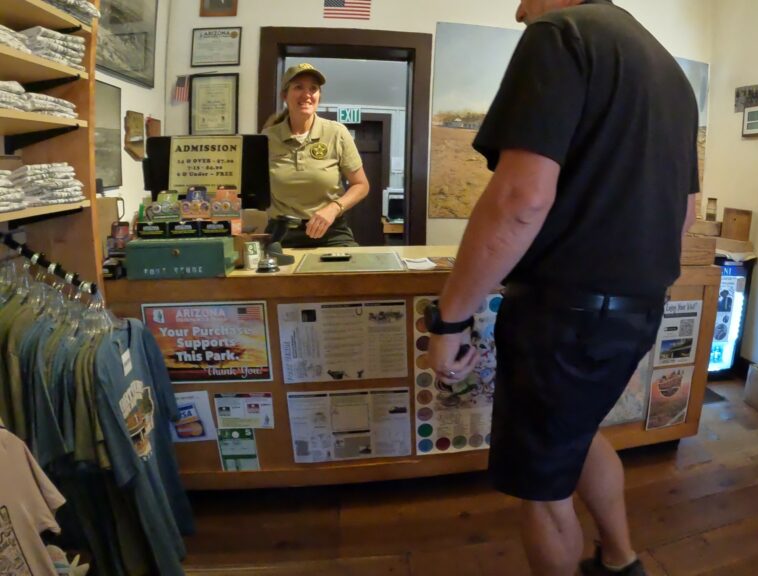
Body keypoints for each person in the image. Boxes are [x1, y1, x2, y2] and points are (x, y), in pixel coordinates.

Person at [425, 1, 699, 575]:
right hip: (638, 310)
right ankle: (622, 560)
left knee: (541, 490)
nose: (520, 9)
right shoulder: (667, 69)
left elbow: (521, 201)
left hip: (564, 315)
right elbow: (687, 214)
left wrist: (450, 321)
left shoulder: (560, 34)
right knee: (577, 433)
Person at [262, 63, 370, 247]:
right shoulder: (267, 138)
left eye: (313, 89)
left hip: (331, 233)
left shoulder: (337, 133)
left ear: (319, 96)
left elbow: (361, 185)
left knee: (350, 274)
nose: (307, 94)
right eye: (298, 87)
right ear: (284, 95)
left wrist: (334, 208)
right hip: (282, 234)